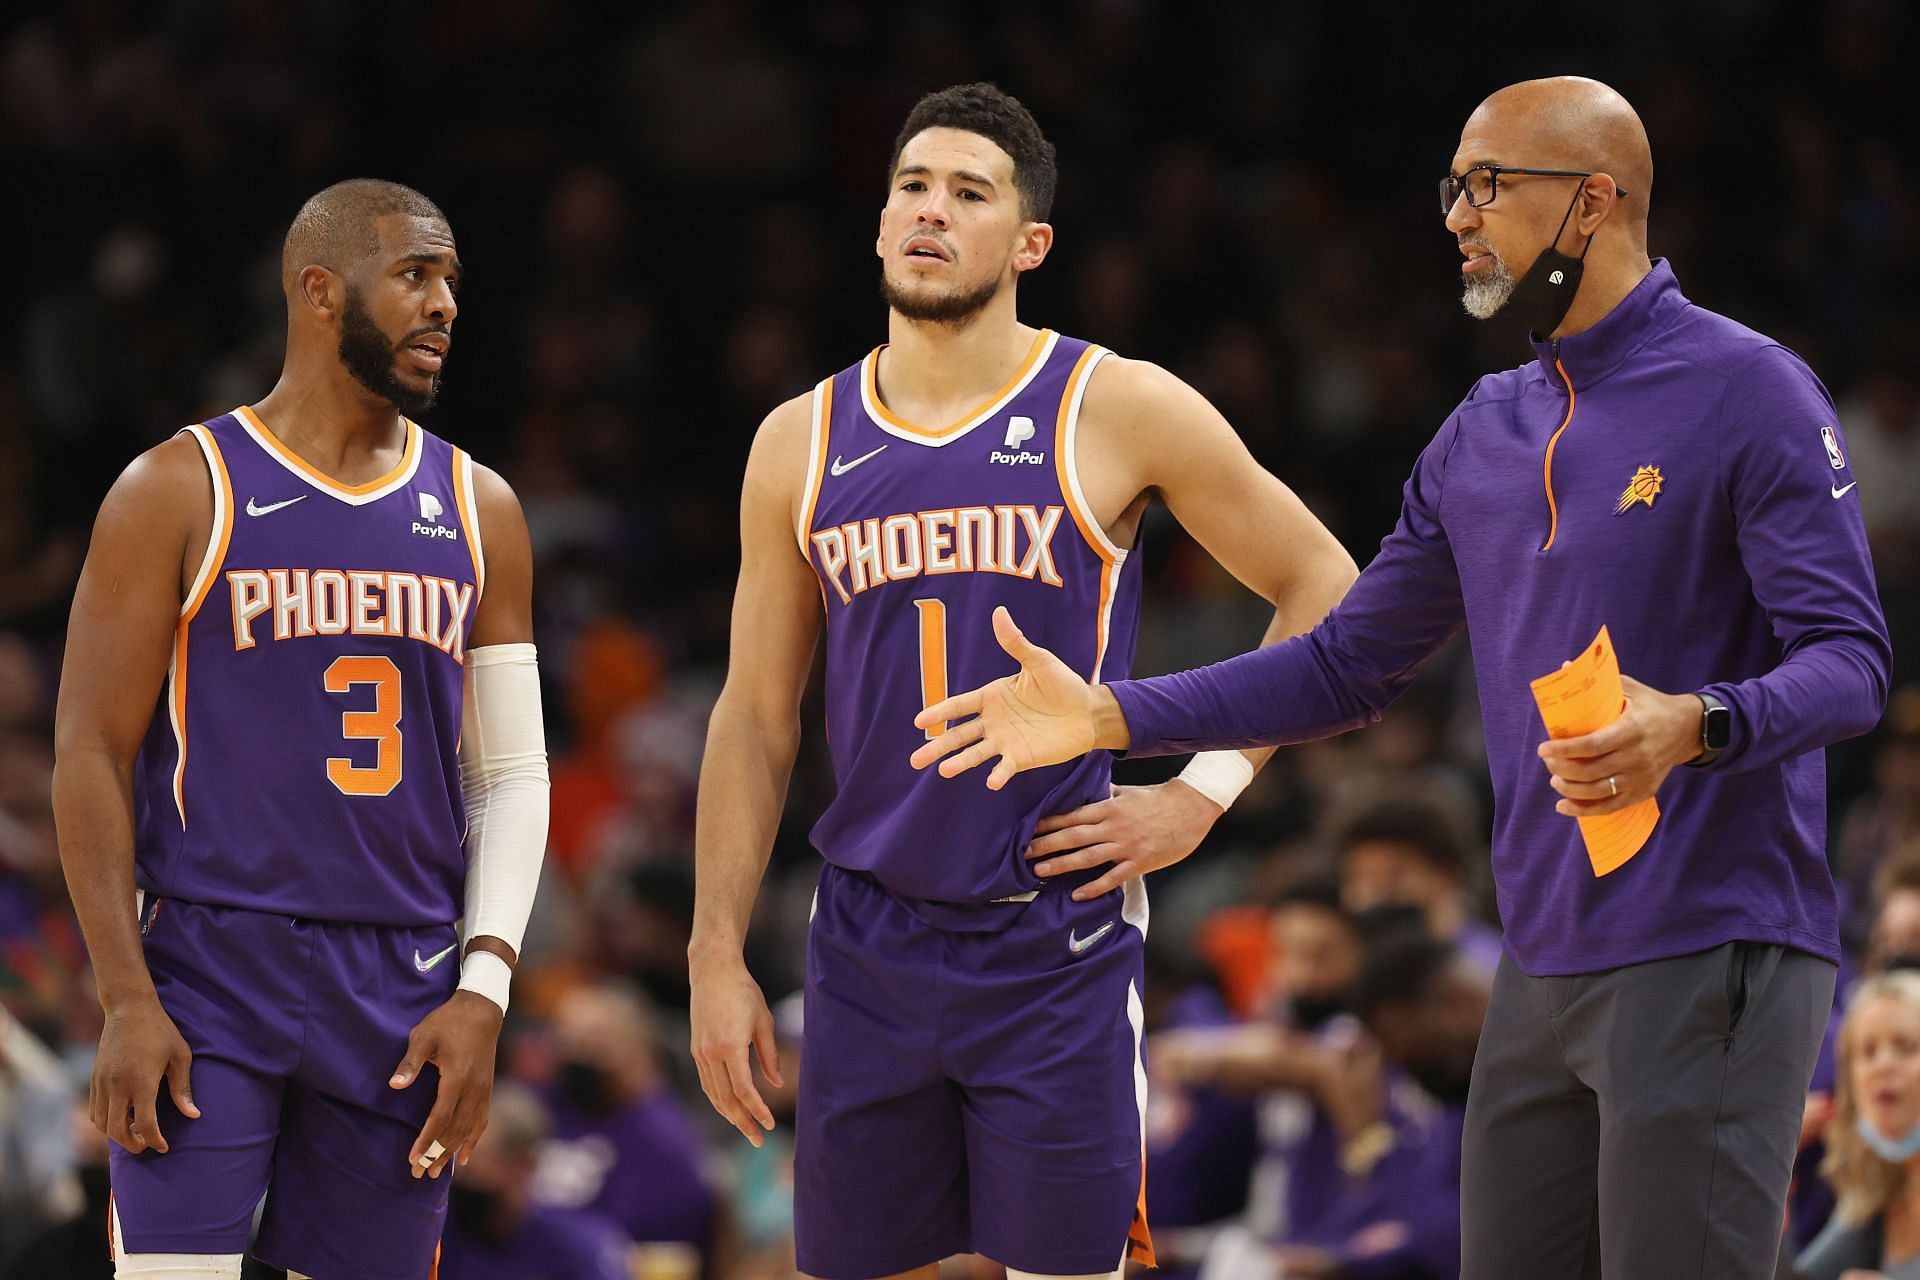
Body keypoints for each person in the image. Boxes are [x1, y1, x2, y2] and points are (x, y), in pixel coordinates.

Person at [914, 76, 1891, 1278]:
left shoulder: (1752, 390)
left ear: (1591, 203)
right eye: (1453, 187)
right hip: (1541, 960)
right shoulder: (1483, 427)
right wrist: (1114, 711)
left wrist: (1698, 723)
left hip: (1715, 940)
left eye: (1489, 185)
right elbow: (1344, 665)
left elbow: (1854, 666)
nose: (1458, 215)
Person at [689, 82, 1358, 1280]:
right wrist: (714, 949)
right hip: (867, 933)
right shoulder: (799, 437)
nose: (930, 213)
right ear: (880, 220)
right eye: (911, 187)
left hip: (1052, 934)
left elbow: (1324, 582)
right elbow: (753, 713)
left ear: (1030, 241)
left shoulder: (1116, 404)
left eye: (968, 192)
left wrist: (1198, 794)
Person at [51, 179, 550, 1280]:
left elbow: (510, 772)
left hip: (402, 975)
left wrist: (485, 987)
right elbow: (89, 750)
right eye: (416, 274)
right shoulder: (178, 487)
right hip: (208, 959)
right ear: (321, 291)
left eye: (453, 281)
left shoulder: (482, 508)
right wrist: (125, 992)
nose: (445, 304)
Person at [532, 981, 713, 1260]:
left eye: (594, 1044)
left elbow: (648, 1253)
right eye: (568, 1043)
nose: (578, 1056)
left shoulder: (664, 1144)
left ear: (641, 1050)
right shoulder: (546, 1107)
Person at [438, 1082, 633, 1280]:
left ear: (524, 1165)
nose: (463, 1175)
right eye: (456, 1163)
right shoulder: (436, 1239)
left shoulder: (579, 1247)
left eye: (477, 1163)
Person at [1795, 972, 1920, 1279]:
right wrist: (1779, 1159)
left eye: (1905, 1047)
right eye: (1867, 1052)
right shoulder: (1877, 1194)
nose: (1883, 1065)